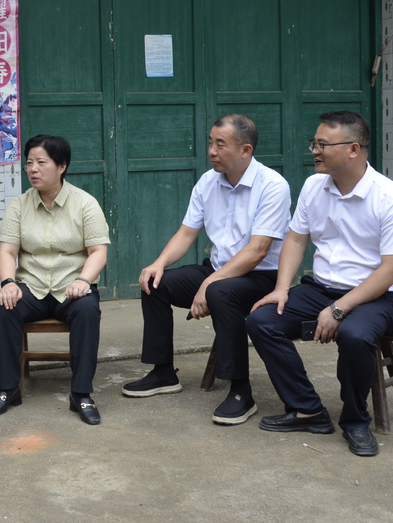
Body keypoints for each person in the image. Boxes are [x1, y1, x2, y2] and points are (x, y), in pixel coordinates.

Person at [247, 111, 393, 457]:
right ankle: (307, 409)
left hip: (376, 296)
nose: (314, 150)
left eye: (322, 144)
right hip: (320, 288)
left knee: (355, 335)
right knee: (262, 320)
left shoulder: (391, 198)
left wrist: (339, 309)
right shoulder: (314, 186)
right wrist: (282, 287)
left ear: (353, 149)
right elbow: (296, 240)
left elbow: (390, 270)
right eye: (315, 143)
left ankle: (355, 422)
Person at [123, 114, 291, 426]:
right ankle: (162, 372)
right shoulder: (207, 182)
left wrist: (209, 285)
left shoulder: (273, 186)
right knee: (155, 283)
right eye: (210, 143)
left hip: (261, 277)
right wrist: (158, 264)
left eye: (220, 144)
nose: (211, 151)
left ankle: (241, 390)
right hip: (216, 271)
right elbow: (187, 233)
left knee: (220, 291)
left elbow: (258, 251)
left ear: (245, 150)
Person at [0, 134, 110, 425]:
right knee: (3, 308)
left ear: (62, 166)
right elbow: (7, 252)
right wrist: (8, 283)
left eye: (41, 162)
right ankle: (7, 389)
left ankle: (81, 394)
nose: (33, 169)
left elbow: (98, 252)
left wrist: (83, 280)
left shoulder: (85, 203)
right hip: (31, 287)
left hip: (73, 288)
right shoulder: (19, 205)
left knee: (87, 310)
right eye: (29, 163)